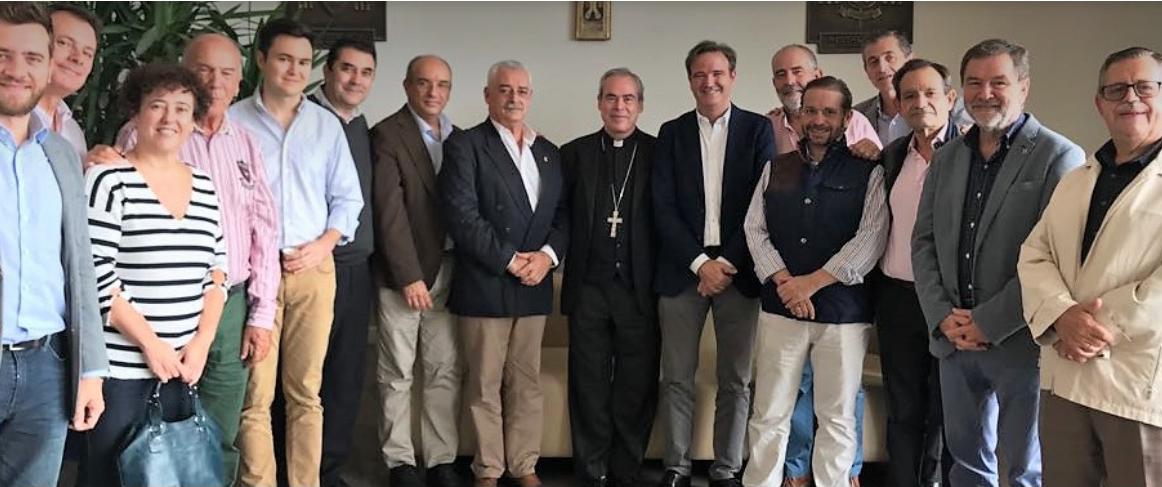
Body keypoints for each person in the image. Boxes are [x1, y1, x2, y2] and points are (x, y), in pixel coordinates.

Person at [100, 33, 281, 483]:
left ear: (239, 81)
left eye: (226, 73)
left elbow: (256, 234)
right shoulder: (126, 157)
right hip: (135, 339)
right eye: (204, 70)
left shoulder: (236, 152)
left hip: (222, 310)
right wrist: (152, 343)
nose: (215, 83)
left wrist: (258, 314)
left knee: (208, 433)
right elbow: (99, 271)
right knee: (131, 449)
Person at [911, 38, 1085, 487]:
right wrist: (941, 316)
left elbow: (1058, 258)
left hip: (1019, 341)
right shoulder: (947, 155)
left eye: (998, 82)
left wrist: (989, 321)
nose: (984, 93)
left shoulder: (1059, 157)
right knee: (965, 462)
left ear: (1023, 87)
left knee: (1023, 468)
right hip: (952, 339)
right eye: (974, 82)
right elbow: (924, 240)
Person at [1018, 46, 1162, 487]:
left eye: (1144, 87)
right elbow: (1034, 254)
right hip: (1066, 381)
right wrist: (1062, 317)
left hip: (1135, 384)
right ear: (1099, 104)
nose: (1130, 98)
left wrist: (1088, 328)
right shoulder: (1079, 177)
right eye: (1116, 89)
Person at [230, 18, 364, 487]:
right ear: (262, 59)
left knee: (307, 392)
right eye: (284, 58)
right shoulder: (232, 121)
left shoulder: (325, 126)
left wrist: (323, 245)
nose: (293, 70)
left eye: (303, 62)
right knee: (256, 395)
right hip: (252, 277)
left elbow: (349, 199)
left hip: (313, 270)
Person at [80, 63, 228, 487]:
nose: (170, 118)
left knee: (173, 476)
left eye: (182, 108)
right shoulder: (109, 179)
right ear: (137, 113)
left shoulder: (204, 185)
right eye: (157, 105)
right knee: (111, 476)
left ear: (195, 118)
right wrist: (151, 345)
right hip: (123, 369)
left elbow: (217, 272)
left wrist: (201, 343)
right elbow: (96, 276)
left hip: (183, 366)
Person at [742, 76, 888, 487]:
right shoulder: (777, 166)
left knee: (837, 417)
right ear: (800, 115)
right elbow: (755, 229)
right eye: (811, 110)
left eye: (829, 111)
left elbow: (871, 237)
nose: (818, 119)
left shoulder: (868, 171)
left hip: (842, 316)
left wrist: (810, 284)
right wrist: (787, 282)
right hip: (780, 311)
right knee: (769, 412)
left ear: (846, 118)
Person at [439, 59, 567, 487]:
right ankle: (489, 469)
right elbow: (462, 216)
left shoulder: (548, 151)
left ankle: (525, 466)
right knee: (484, 384)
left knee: (525, 381)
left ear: (531, 96)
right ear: (488, 95)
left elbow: (562, 217)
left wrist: (546, 257)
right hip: (486, 280)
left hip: (534, 283)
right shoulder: (466, 145)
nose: (514, 97)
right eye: (505, 89)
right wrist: (512, 260)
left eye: (522, 91)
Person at [653, 40, 773, 487]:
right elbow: (662, 206)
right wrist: (700, 263)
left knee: (737, 379)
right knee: (677, 377)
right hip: (683, 271)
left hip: (739, 274)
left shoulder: (758, 130)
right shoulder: (671, 132)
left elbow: (760, 206)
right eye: (700, 74)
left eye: (718, 73)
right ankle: (676, 465)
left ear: (733, 77)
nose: (710, 81)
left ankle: (726, 467)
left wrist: (725, 265)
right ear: (690, 81)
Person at [0, 4, 107, 486]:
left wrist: (91, 369)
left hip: (47, 368)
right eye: (2, 54)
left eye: (30, 57)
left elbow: (80, 268)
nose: (16, 70)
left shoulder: (62, 153)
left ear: (47, 65)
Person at [560, 68, 659, 487]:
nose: (620, 106)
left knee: (636, 385)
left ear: (640, 104)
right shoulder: (573, 153)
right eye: (611, 98)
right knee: (589, 383)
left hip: (639, 287)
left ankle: (626, 467)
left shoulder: (659, 152)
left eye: (628, 98)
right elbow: (560, 215)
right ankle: (592, 468)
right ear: (599, 102)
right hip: (588, 287)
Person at [370, 54, 463, 487]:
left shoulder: (459, 138)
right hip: (403, 275)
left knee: (444, 368)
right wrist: (408, 275)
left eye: (441, 85)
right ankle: (400, 462)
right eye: (424, 83)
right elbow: (388, 213)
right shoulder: (387, 136)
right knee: (397, 372)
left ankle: (441, 458)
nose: (433, 92)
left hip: (451, 270)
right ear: (408, 86)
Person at [875, 58, 960, 487]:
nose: (919, 102)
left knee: (948, 411)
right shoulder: (891, 157)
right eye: (909, 95)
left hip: (949, 303)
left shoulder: (970, 156)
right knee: (903, 409)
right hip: (896, 300)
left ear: (950, 98)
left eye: (930, 93)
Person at [308, 37, 378, 487]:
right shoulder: (307, 119)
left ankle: (329, 472)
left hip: (357, 271)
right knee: (303, 380)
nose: (355, 80)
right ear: (328, 71)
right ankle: (297, 470)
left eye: (366, 72)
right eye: (347, 69)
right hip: (313, 268)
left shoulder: (360, 125)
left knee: (345, 378)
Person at [35, 3, 99, 156]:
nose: (77, 58)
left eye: (87, 53)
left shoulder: (73, 131)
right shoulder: (9, 117)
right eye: (64, 43)